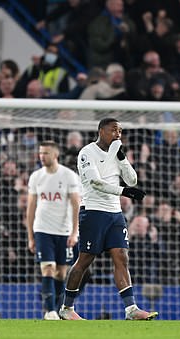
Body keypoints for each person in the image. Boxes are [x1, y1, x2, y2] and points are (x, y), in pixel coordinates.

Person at [59, 118, 158, 320]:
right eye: (114, 130)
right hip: (93, 211)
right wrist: (124, 192)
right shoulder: (87, 152)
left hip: (115, 214)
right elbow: (95, 182)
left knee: (121, 256)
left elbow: (133, 180)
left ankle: (131, 309)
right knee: (85, 260)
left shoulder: (117, 153)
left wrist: (122, 158)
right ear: (101, 131)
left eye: (120, 131)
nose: (118, 134)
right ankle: (67, 308)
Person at [26, 141, 80, 320]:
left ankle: (56, 311)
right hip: (42, 230)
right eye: (40, 153)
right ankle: (49, 311)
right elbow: (31, 207)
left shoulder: (69, 176)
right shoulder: (36, 176)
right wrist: (30, 236)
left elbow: (75, 205)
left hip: (63, 232)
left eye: (46, 153)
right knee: (48, 269)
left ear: (55, 155)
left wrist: (74, 233)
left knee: (61, 272)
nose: (42, 156)